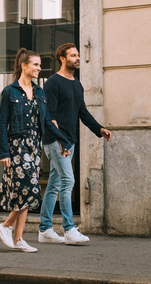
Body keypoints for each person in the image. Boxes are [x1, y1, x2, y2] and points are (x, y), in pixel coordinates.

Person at [0, 48, 71, 253]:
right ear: (24, 65)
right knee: (31, 190)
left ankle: (18, 239)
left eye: (39, 64)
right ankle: (6, 226)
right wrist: (4, 152)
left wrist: (63, 140)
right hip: (17, 146)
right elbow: (3, 125)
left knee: (25, 192)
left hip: (34, 146)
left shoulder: (39, 92)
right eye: (35, 64)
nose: (39, 68)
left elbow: (47, 122)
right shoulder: (10, 92)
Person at [38, 43, 112, 245]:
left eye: (78, 54)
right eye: (73, 55)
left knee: (54, 184)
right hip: (55, 141)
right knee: (68, 181)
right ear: (62, 58)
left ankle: (44, 229)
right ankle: (69, 229)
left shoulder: (77, 84)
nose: (77, 57)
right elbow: (50, 115)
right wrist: (60, 140)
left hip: (68, 140)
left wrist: (99, 129)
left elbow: (83, 112)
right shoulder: (53, 83)